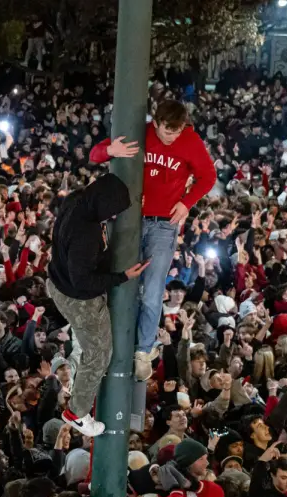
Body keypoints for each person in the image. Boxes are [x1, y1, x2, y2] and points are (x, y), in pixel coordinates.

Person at [90, 99, 216, 381]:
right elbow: (95, 155)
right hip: (129, 219)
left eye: (177, 131)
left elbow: (208, 176)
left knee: (153, 290)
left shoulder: (190, 141)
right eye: (166, 131)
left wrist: (187, 203)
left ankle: (144, 349)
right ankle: (109, 341)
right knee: (120, 282)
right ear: (155, 122)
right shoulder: (140, 132)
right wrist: (112, 150)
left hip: (163, 224)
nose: (171, 137)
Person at [46, 172, 149, 437]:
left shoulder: (76, 199)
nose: (113, 218)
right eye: (113, 212)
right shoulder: (86, 234)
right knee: (99, 353)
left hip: (57, 281)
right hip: (78, 299)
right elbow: (83, 283)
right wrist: (122, 277)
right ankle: (77, 413)